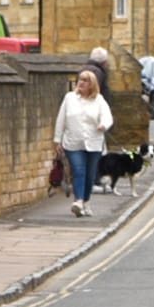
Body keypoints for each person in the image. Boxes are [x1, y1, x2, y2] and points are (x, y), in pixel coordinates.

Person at [53, 69, 114, 217]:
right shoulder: (69, 98)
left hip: (94, 143)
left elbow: (108, 117)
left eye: (85, 80)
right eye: (80, 79)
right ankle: (78, 201)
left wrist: (103, 125)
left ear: (92, 85)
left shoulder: (99, 100)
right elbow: (61, 119)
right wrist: (57, 140)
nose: (81, 82)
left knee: (90, 174)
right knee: (78, 170)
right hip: (73, 142)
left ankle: (86, 202)